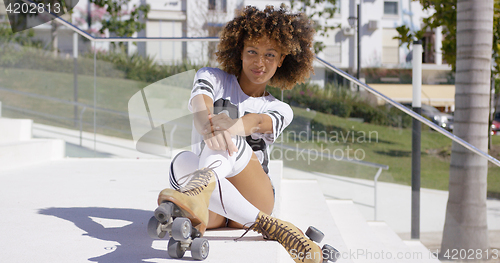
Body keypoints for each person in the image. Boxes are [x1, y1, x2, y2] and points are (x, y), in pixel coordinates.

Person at [165, 5, 334, 263]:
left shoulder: (280, 109)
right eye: (252, 51)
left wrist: (226, 126)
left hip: (255, 196)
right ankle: (271, 226)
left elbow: (256, 122)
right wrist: (207, 124)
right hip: (220, 202)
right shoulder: (211, 77)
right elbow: (201, 105)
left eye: (270, 54)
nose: (259, 62)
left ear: (281, 60)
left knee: (229, 139)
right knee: (180, 162)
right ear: (240, 52)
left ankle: (198, 200)